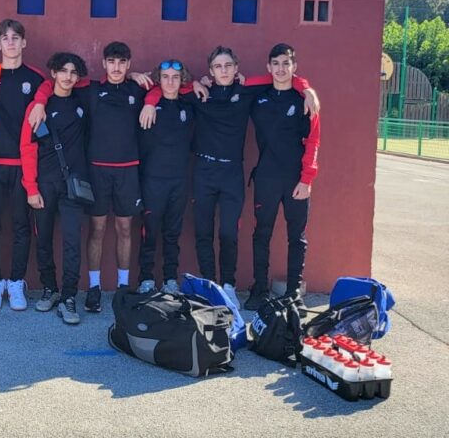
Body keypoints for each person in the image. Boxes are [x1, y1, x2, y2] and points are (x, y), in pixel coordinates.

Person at [140, 46, 317, 304]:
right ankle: (211, 286)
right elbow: (166, 88)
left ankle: (228, 285)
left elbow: (280, 77)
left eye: (228, 66)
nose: (223, 71)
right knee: (203, 231)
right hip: (203, 171)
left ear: (236, 69)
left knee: (228, 233)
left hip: (232, 171)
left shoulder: (247, 91)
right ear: (210, 72)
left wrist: (306, 88)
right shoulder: (199, 93)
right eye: (217, 67)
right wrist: (149, 101)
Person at [27, 42, 152, 314]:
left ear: (129, 64)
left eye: (122, 62)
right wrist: (38, 101)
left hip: (129, 170)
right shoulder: (90, 89)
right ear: (104, 64)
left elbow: (170, 89)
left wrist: (151, 100)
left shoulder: (137, 90)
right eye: (112, 62)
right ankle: (93, 288)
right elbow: (54, 86)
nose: (117, 67)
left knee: (123, 230)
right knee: (95, 229)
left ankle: (122, 287)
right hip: (94, 172)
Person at [243, 44, 321, 311]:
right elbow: (244, 82)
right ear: (269, 67)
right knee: (261, 233)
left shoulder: (305, 102)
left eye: (286, 64)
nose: (280, 69)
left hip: (296, 180)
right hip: (266, 177)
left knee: (296, 236)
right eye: (275, 63)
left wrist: (306, 179)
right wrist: (305, 83)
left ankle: (293, 293)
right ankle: (259, 289)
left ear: (294, 66)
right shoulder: (259, 97)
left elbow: (314, 140)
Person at [0, 19, 45, 311]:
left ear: (24, 42)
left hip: (23, 165)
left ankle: (16, 283)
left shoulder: (38, 78)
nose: (11, 43)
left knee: (21, 226)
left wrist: (42, 99)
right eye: (5, 38)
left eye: (16, 37)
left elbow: (64, 86)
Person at [21, 53, 90, 325]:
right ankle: (49, 288)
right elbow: (27, 148)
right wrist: (31, 188)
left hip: (74, 185)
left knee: (72, 243)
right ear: (53, 73)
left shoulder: (83, 100)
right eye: (63, 71)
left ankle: (69, 297)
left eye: (73, 72)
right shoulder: (38, 107)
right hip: (45, 184)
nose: (68, 77)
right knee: (44, 240)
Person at [135, 59, 196, 295]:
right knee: (149, 232)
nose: (170, 81)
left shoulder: (188, 106)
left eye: (175, 77)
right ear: (158, 80)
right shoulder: (148, 105)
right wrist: (150, 100)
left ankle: (170, 278)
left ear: (182, 80)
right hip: (152, 180)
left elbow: (197, 89)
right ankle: (146, 278)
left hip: (179, 181)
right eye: (165, 77)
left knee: (172, 233)